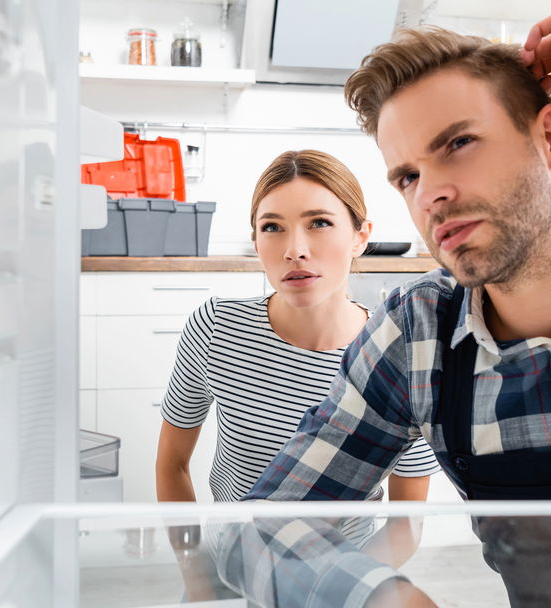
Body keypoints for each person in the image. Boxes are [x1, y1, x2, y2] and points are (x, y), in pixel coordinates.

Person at [222, 14, 551, 608]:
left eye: (457, 144)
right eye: (408, 176)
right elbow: (258, 536)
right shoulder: (416, 337)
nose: (430, 194)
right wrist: (383, 600)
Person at [155, 149, 440, 600]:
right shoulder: (216, 329)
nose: (295, 250)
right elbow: (172, 464)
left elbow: (406, 523)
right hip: (234, 567)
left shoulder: (397, 357)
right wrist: (196, 573)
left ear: (361, 236)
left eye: (320, 223)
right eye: (272, 227)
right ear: (256, 239)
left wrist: (330, 588)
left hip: (340, 582)